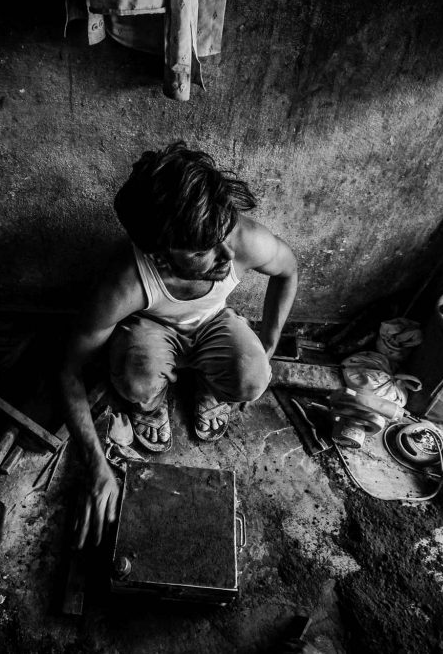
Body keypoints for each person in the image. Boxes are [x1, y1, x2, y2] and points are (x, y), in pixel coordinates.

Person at [59, 141, 298, 547]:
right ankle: (152, 404)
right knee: (135, 380)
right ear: (161, 255)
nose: (226, 255)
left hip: (213, 323)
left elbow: (288, 270)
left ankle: (207, 386)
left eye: (223, 234)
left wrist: (269, 343)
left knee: (254, 377)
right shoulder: (124, 283)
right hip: (152, 327)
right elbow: (66, 370)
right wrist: (97, 466)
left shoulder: (241, 240)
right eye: (204, 250)